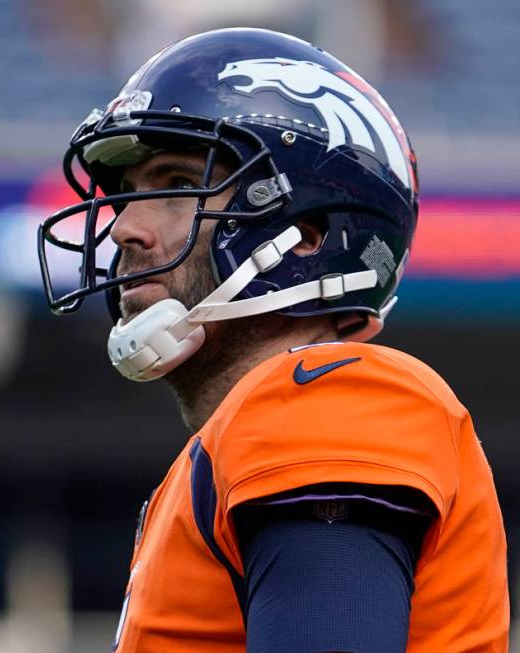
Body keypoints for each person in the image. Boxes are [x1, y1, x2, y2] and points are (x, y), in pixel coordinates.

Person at [37, 28, 509, 652]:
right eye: (126, 194)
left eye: (174, 183)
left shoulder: (326, 401)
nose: (127, 227)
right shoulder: (228, 448)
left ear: (309, 234)